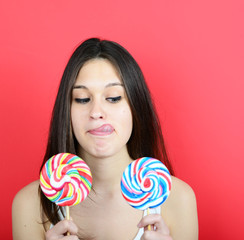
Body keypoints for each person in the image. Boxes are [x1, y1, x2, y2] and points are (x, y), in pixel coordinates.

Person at [12, 38, 198, 240]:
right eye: (83, 99)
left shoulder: (178, 198)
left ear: (136, 105)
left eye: (113, 98)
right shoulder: (29, 204)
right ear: (66, 110)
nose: (96, 112)